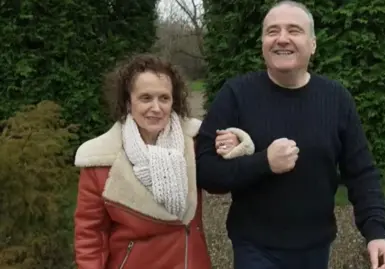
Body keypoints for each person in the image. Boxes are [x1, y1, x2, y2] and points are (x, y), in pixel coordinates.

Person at [195, 1, 385, 269]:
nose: (282, 39)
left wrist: (377, 232)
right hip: (255, 248)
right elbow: (205, 171)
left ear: (313, 44)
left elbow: (361, 172)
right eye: (272, 31)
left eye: (294, 30)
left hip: (315, 249)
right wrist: (263, 162)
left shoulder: (336, 99)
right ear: (263, 43)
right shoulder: (236, 95)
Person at [73, 53, 256, 269]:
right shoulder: (101, 159)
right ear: (128, 102)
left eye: (164, 98)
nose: (156, 108)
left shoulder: (194, 142)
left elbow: (219, 185)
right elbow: (90, 234)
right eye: (146, 98)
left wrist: (232, 144)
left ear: (174, 101)